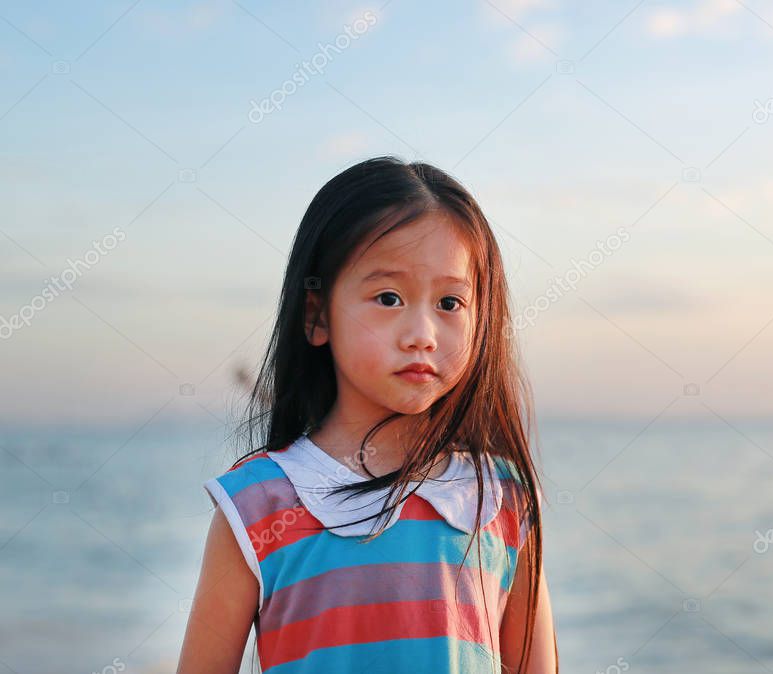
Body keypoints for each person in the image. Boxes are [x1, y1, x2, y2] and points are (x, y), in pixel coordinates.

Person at [176, 156, 558, 673]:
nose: (422, 333)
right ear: (317, 315)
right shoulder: (257, 506)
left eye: (450, 303)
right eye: (388, 297)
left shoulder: (499, 499)